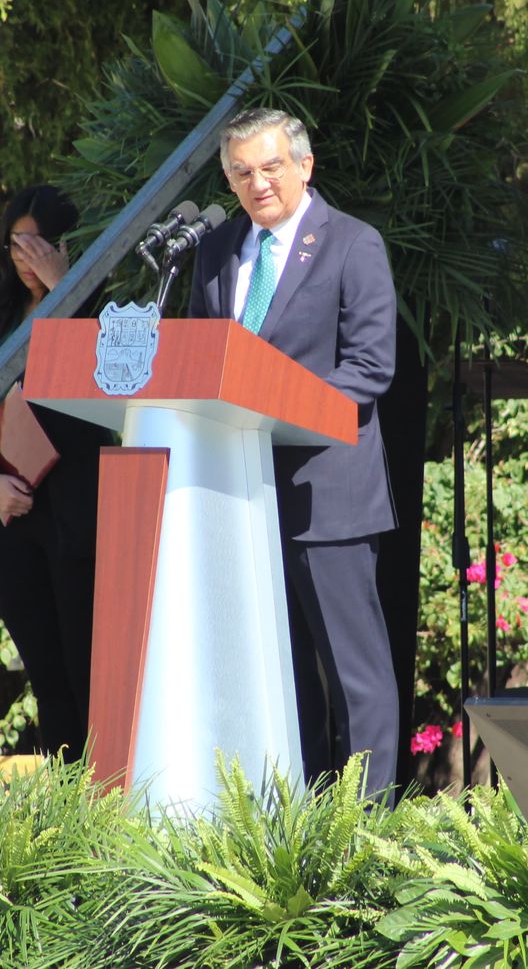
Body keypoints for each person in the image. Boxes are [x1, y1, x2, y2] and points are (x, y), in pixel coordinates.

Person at [188, 107, 399, 800]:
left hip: (326, 495)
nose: (259, 183)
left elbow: (369, 368)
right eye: (242, 172)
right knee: (272, 671)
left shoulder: (352, 244)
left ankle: (368, 833)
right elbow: (198, 359)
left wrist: (272, 410)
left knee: (353, 674)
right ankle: (290, 824)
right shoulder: (217, 251)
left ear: (304, 167)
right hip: (241, 495)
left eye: (272, 166)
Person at [0, 184, 108, 757]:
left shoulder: (97, 303)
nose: (26, 259)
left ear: (64, 245)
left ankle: (106, 800)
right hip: (7, 510)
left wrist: (67, 288)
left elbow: (108, 376)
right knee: (46, 671)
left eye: (38, 246)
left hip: (75, 512)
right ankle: (65, 802)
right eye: (15, 246)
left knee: (87, 666)